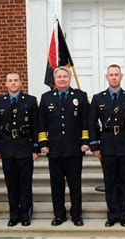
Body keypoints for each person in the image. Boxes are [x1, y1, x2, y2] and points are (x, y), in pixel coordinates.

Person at [88, 64, 125, 227]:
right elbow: (92, 123)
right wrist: (95, 146)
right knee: (110, 181)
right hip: (107, 144)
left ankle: (123, 214)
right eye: (111, 74)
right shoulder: (98, 98)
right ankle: (112, 214)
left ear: (121, 76)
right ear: (106, 77)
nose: (113, 77)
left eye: (116, 74)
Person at [38, 66, 89, 226]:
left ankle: (76, 214)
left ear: (69, 78)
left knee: (75, 184)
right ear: (54, 79)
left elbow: (85, 121)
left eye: (64, 77)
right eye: (59, 77)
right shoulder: (46, 98)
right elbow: (42, 123)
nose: (62, 79)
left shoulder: (80, 96)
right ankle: (59, 215)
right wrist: (43, 143)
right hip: (54, 149)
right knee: (57, 185)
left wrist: (85, 141)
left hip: (74, 148)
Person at [0, 72, 39, 227]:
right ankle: (14, 214)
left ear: (21, 82)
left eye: (15, 80)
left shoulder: (31, 101)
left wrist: (35, 148)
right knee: (11, 183)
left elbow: (35, 126)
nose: (13, 83)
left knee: (25, 182)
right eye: (10, 81)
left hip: (24, 146)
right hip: (7, 147)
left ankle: (26, 213)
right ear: (6, 83)